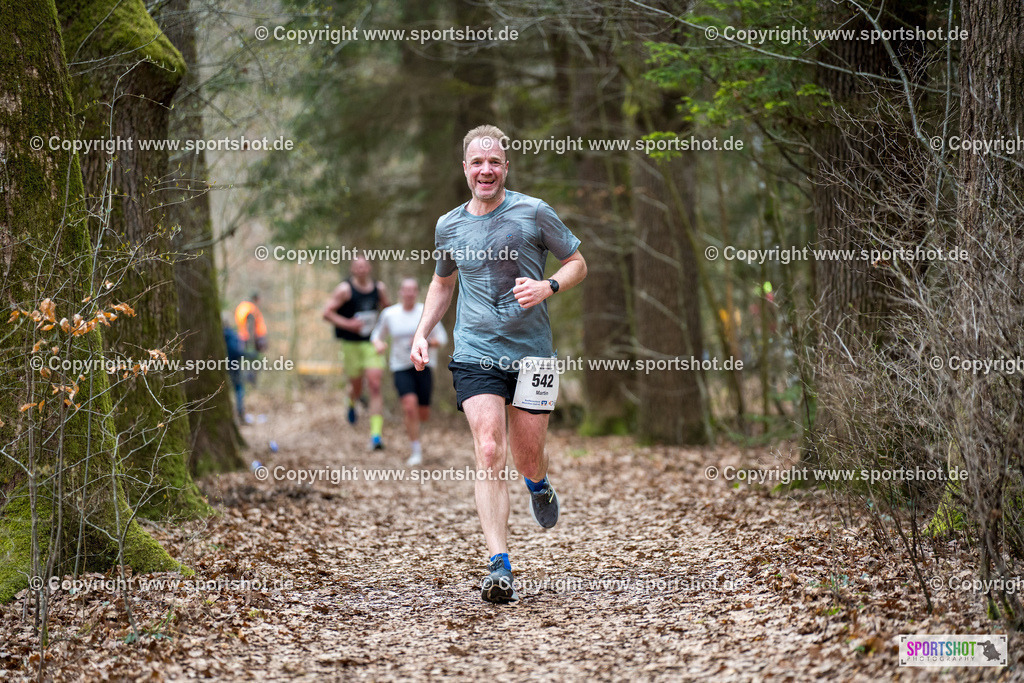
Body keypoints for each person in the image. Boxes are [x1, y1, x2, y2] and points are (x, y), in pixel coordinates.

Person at [411, 125, 587, 603]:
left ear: (506, 167)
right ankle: (499, 565)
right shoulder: (449, 225)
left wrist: (549, 286)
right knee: (489, 449)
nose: (485, 169)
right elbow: (442, 283)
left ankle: (538, 483)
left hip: (533, 354)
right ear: (465, 169)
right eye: (477, 162)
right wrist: (422, 332)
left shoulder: (534, 212)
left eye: (494, 162)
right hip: (475, 352)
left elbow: (578, 262)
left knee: (527, 455)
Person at [371, 278, 448, 466]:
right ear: (400, 292)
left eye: (413, 290)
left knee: (423, 413)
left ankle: (417, 432)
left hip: (423, 366)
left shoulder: (426, 312)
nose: (409, 293)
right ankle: (416, 450)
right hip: (400, 367)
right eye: (406, 290)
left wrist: (426, 342)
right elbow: (376, 335)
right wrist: (379, 344)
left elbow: (442, 338)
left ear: (417, 292)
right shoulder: (390, 314)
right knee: (409, 407)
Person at [323, 255, 390, 450]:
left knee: (375, 385)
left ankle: (376, 436)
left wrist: (383, 333)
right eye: (357, 267)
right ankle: (351, 401)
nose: (361, 270)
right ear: (352, 269)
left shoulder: (379, 288)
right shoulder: (344, 289)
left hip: (372, 343)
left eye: (364, 266)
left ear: (369, 268)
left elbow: (388, 310)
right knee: (357, 387)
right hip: (351, 344)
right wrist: (348, 324)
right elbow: (327, 313)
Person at [234, 293, 267, 386]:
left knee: (248, 359)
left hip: (244, 337)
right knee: (251, 359)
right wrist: (254, 340)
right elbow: (250, 324)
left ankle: (249, 379)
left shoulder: (243, 307)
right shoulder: (250, 308)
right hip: (250, 339)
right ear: (256, 299)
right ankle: (250, 380)